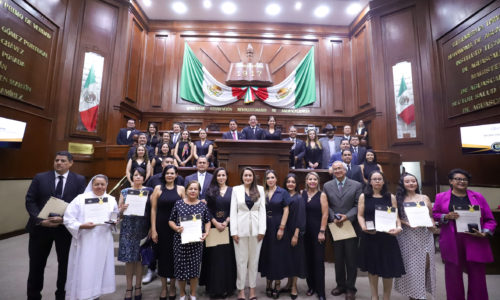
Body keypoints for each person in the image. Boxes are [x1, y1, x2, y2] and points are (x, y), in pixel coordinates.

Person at [25, 151, 86, 300]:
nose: (59, 163)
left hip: (64, 230)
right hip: (41, 228)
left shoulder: (79, 180)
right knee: (36, 266)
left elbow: (80, 206)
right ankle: (33, 296)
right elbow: (30, 200)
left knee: (65, 266)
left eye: (63, 161)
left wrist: (64, 219)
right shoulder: (40, 178)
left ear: (71, 163)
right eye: (57, 160)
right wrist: (40, 220)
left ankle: (61, 296)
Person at [432, 169, 496, 300]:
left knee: (477, 275)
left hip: (474, 238)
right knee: (452, 275)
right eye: (458, 179)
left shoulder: (478, 197)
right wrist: (446, 216)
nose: (461, 182)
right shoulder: (441, 197)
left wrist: (484, 232)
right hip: (452, 239)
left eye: (465, 179)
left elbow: (490, 220)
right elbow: (435, 214)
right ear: (451, 181)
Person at [63, 174, 120, 300]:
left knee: (100, 269)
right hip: (86, 240)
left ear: (106, 185)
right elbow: (68, 218)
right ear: (91, 185)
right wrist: (81, 225)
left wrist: (114, 221)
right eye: (96, 184)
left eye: (102, 184)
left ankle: (96, 294)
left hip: (103, 240)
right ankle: (83, 295)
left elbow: (114, 216)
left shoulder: (110, 199)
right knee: (85, 269)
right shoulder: (80, 199)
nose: (99, 187)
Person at [357, 171, 405, 300]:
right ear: (370, 182)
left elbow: (396, 217)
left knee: (388, 269)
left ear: (383, 182)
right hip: (370, 236)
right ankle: (374, 296)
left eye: (380, 179)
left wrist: (399, 227)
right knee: (372, 268)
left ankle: (386, 297)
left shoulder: (391, 197)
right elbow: (360, 215)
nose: (377, 181)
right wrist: (363, 227)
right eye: (374, 179)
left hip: (387, 237)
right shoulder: (364, 196)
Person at [394, 173, 436, 300]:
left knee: (425, 265)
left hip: (425, 236)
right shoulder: (398, 199)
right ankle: (414, 295)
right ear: (403, 184)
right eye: (407, 181)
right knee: (411, 267)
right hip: (407, 237)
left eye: (413, 181)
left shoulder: (424, 198)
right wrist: (407, 223)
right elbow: (397, 219)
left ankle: (421, 292)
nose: (411, 183)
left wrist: (432, 225)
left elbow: (431, 216)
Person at [324, 161, 362, 300]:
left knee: (351, 259)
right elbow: (326, 204)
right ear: (332, 172)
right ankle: (340, 285)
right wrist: (333, 216)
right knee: (338, 258)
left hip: (350, 225)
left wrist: (348, 216)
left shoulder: (356, 185)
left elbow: (359, 205)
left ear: (345, 170)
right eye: (335, 169)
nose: (337, 171)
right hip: (335, 226)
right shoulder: (327, 186)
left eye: (340, 168)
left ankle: (351, 288)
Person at [169, 181, 211, 300]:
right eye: (191, 189)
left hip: (196, 243)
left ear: (199, 192)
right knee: (180, 270)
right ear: (186, 190)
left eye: (195, 189)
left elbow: (207, 221)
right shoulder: (178, 203)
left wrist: (206, 232)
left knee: (194, 271)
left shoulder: (202, 205)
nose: (193, 191)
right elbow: (171, 220)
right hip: (180, 242)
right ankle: (182, 294)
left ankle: (193, 294)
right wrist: (176, 228)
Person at [199, 168, 237, 298]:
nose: (221, 177)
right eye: (219, 175)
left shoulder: (233, 191)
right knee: (214, 259)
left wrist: (226, 222)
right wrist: (215, 223)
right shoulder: (210, 191)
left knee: (226, 258)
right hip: (214, 228)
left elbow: (235, 209)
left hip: (228, 228)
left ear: (227, 177)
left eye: (223, 175)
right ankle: (214, 289)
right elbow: (206, 209)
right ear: (215, 177)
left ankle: (227, 288)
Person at [230, 167, 266, 300]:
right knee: (241, 261)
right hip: (240, 231)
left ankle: (252, 290)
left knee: (254, 261)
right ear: (242, 177)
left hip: (257, 232)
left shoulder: (260, 189)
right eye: (245, 175)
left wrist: (262, 230)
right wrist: (234, 232)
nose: (248, 178)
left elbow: (262, 211)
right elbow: (233, 212)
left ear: (253, 177)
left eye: (250, 175)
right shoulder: (236, 189)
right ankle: (241, 290)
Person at [118, 167, 154, 300]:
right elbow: (118, 213)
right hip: (128, 228)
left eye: (140, 175)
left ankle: (138, 287)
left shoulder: (148, 191)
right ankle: (129, 287)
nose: (138, 177)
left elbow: (152, 210)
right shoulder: (125, 191)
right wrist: (121, 209)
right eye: (136, 175)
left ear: (144, 178)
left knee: (139, 260)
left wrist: (151, 227)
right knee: (129, 260)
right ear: (132, 177)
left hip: (143, 228)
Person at [151, 165, 186, 300]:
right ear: (164, 175)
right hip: (161, 228)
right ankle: (164, 287)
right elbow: (154, 210)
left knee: (174, 258)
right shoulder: (158, 189)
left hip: (176, 229)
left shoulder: (181, 189)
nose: (170, 176)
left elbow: (185, 208)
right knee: (163, 258)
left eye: (172, 173)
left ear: (176, 175)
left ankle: (172, 286)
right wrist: (153, 230)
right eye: (167, 173)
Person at [259, 170, 290, 298]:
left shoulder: (283, 192)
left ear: (276, 179)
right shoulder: (262, 192)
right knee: (267, 255)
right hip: (265, 225)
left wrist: (282, 227)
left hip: (278, 225)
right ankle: (268, 284)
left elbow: (286, 209)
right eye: (268, 178)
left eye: (272, 177)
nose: (270, 180)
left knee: (277, 256)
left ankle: (277, 284)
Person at [280, 174, 306, 299]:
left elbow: (301, 218)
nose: (290, 184)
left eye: (293, 182)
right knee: (288, 259)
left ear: (296, 184)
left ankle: (294, 286)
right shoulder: (283, 195)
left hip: (295, 232)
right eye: (288, 181)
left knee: (295, 259)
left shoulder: (299, 198)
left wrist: (296, 235)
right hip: (285, 232)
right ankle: (289, 283)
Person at [303, 172, 328, 300]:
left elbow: (325, 214)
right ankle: (311, 286)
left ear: (318, 182)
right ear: (306, 181)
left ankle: (321, 291)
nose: (312, 181)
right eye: (310, 179)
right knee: (307, 260)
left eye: (315, 179)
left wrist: (322, 231)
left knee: (318, 262)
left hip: (318, 232)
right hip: (304, 232)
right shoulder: (302, 194)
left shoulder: (322, 195)